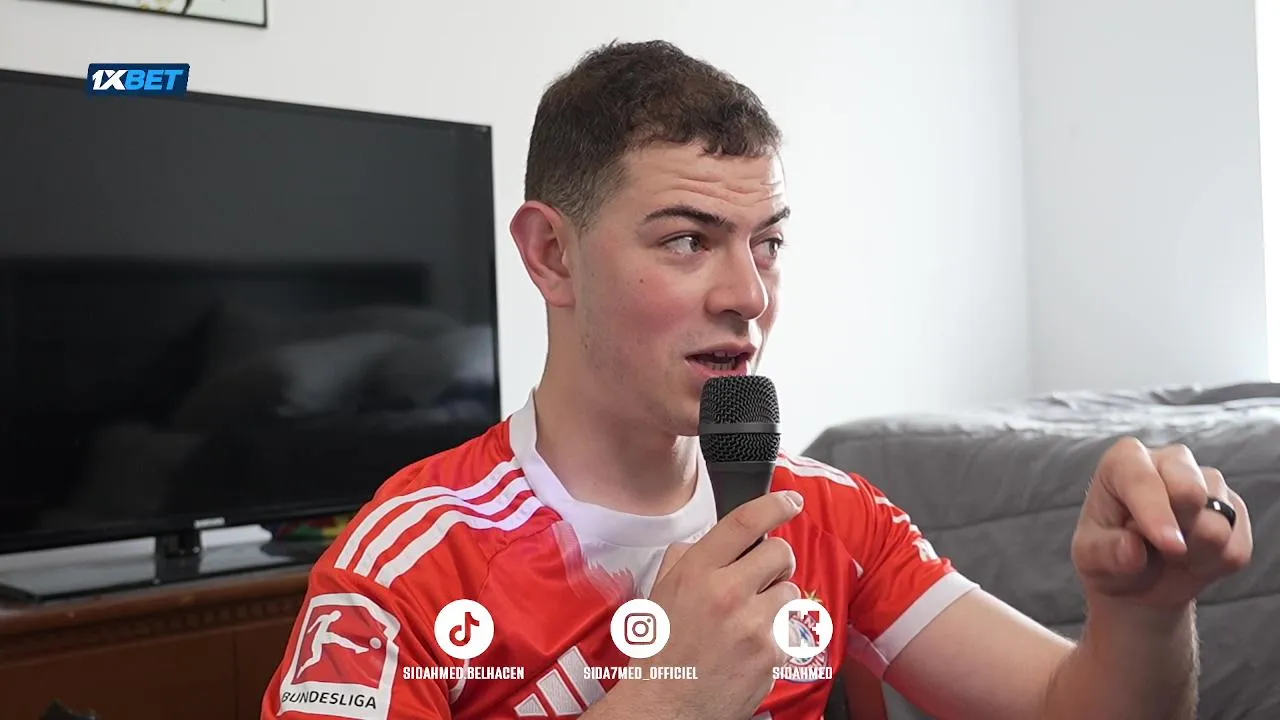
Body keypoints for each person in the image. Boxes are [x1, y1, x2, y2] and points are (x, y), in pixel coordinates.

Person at [260, 40, 1254, 720]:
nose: (748, 295)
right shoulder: (405, 564)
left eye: (766, 243)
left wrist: (1144, 611)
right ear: (552, 257)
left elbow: (1071, 706)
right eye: (687, 240)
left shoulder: (830, 515)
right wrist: (667, 697)